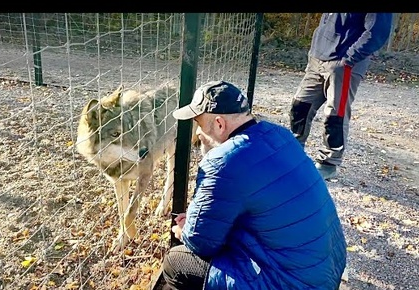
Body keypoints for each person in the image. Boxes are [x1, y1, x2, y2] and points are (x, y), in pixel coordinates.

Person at [162, 80, 347, 289]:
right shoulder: (280, 135)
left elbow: (200, 242)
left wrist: (185, 229)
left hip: (291, 282)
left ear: (220, 124)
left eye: (200, 125)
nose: (197, 133)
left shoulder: (222, 162)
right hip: (327, 269)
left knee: (176, 261)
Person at [290, 13, 393, 180]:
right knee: (300, 106)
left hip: (344, 63)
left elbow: (378, 32)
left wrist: (350, 58)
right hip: (318, 58)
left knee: (335, 115)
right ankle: (294, 153)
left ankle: (328, 163)